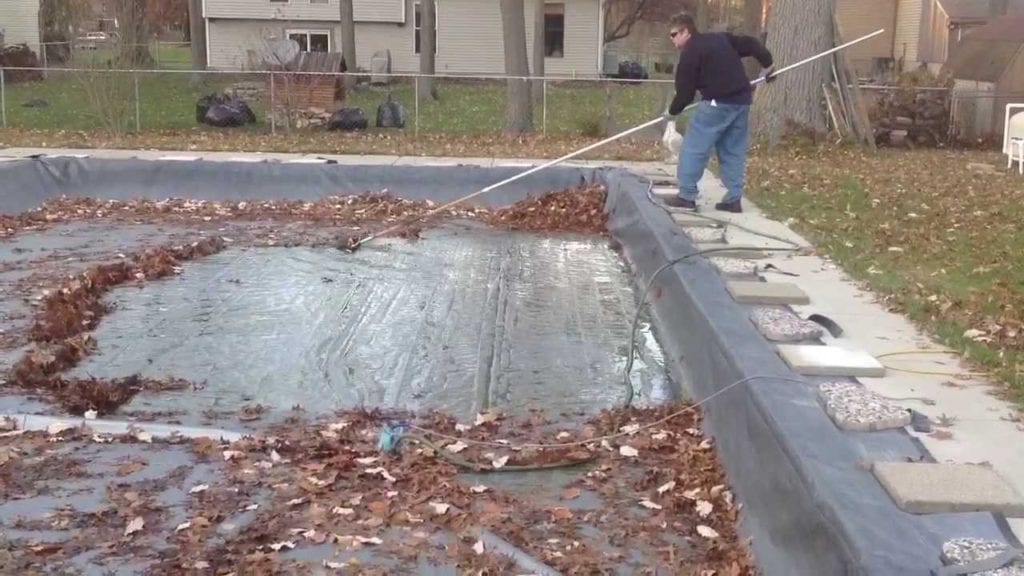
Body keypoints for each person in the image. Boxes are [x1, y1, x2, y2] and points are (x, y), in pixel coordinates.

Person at [664, 12, 775, 213]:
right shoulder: (721, 39)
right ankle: (733, 199)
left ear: (685, 31)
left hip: (716, 104)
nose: (671, 40)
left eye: (673, 35)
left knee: (693, 148)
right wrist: (768, 65)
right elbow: (751, 44)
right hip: (741, 103)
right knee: (732, 150)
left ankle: (686, 195)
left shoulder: (690, 53)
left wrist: (672, 113)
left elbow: (685, 94)